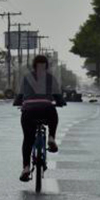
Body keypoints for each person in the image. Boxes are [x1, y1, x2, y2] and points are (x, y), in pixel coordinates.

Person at [13, 54, 65, 182]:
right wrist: (60, 102)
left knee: (27, 139)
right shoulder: (51, 78)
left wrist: (17, 102)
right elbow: (58, 97)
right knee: (53, 115)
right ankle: (51, 137)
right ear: (46, 66)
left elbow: (20, 96)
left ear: (34, 66)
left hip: (29, 111)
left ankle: (26, 168)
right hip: (46, 109)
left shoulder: (27, 78)